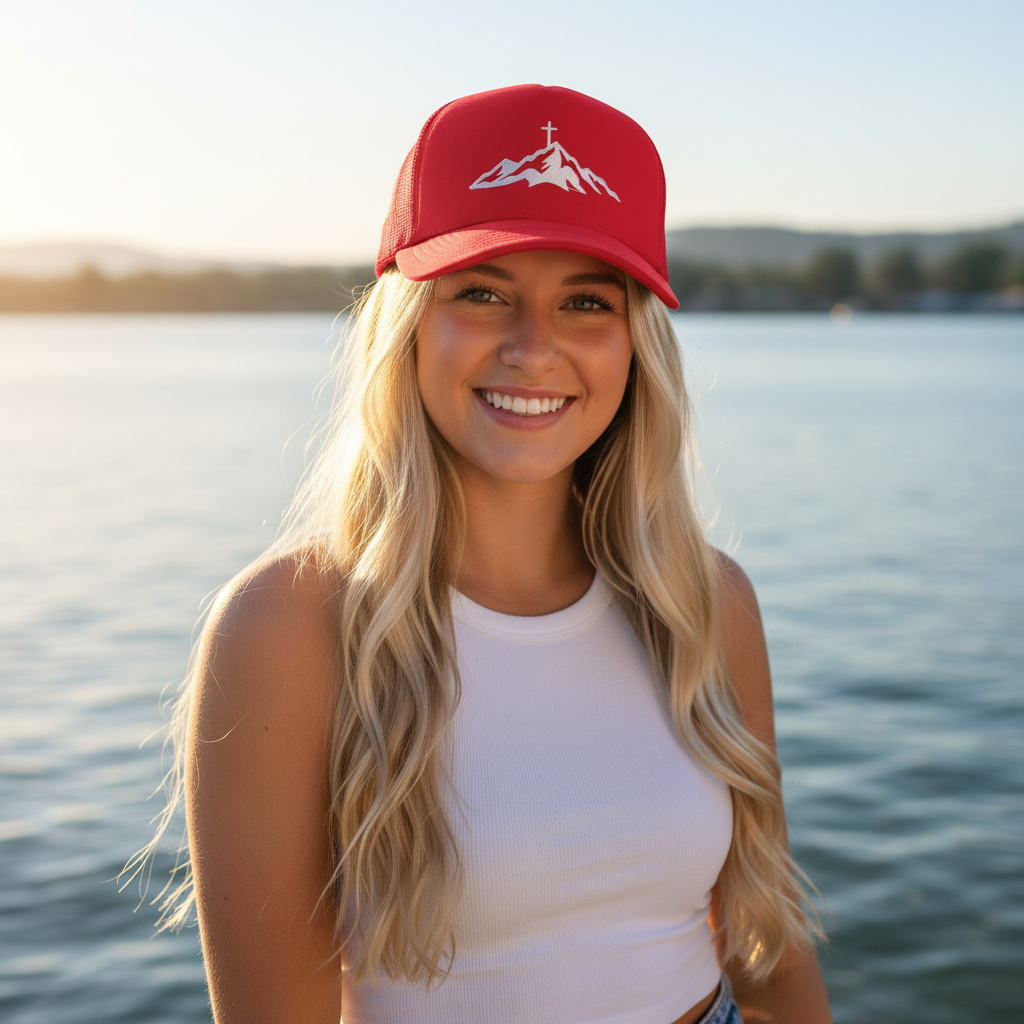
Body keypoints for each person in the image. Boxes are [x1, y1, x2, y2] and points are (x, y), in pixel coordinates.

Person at [140, 84, 833, 1024]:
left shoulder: (703, 599)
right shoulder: (289, 626)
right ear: (407, 325)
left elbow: (772, 957)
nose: (534, 347)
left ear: (637, 345)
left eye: (587, 301)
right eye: (483, 292)